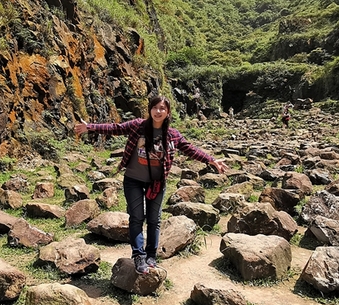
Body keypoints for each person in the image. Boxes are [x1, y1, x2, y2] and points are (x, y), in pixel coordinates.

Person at [74, 95, 227, 274]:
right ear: (150, 110)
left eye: (162, 108)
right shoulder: (138, 126)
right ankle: (138, 256)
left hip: (157, 183)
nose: (158, 111)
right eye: (155, 107)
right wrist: (90, 127)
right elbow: (115, 128)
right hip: (133, 180)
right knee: (137, 217)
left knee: (154, 220)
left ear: (168, 112)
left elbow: (191, 149)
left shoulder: (173, 135)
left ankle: (151, 255)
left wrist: (212, 160)